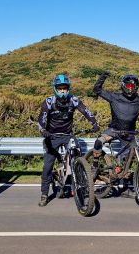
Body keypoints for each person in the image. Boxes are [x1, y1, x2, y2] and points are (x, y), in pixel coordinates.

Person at [37, 74, 99, 207]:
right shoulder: (49, 101)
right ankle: (44, 194)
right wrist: (43, 131)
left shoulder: (74, 100)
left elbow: (86, 111)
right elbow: (41, 120)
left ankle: (81, 185)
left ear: (68, 88)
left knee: (78, 158)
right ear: (55, 89)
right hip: (51, 136)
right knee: (48, 166)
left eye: (65, 88)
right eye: (60, 88)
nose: (63, 91)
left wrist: (94, 122)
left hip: (68, 135)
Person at [92, 72, 139, 178]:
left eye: (132, 86)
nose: (130, 89)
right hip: (113, 130)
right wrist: (102, 77)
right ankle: (94, 167)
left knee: (125, 165)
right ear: (123, 85)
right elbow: (97, 90)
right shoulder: (114, 97)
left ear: (136, 87)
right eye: (128, 86)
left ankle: (119, 172)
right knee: (98, 142)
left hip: (129, 134)